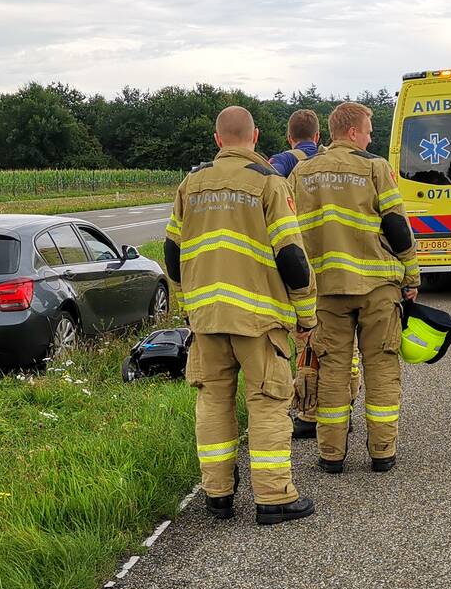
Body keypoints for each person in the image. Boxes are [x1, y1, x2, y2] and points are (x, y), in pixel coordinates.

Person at [164, 105, 318, 525]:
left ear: (218, 140)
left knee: (213, 402)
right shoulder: (268, 182)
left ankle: (217, 495)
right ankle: (273, 496)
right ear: (255, 137)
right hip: (258, 321)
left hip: (207, 319)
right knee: (267, 403)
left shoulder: (191, 184)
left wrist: (188, 305)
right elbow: (292, 256)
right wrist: (306, 315)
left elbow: (172, 253)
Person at [290, 102, 420, 473]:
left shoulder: (301, 173)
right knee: (381, 367)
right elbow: (396, 226)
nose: (369, 138)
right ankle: (382, 452)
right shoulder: (374, 167)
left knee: (332, 370)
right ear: (352, 132)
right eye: (367, 131)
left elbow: (290, 235)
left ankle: (331, 455)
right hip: (377, 287)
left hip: (326, 291)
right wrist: (411, 276)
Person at [269, 109, 362, 439]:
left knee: (308, 345)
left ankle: (309, 413)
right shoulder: (340, 163)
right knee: (345, 349)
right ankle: (344, 407)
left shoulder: (284, 163)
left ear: (289, 137)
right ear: (319, 135)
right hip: (343, 269)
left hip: (304, 270)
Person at [269, 109, 322, 177]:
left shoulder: (283, 160)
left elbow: (270, 177)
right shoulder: (331, 159)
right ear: (317, 136)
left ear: (289, 138)